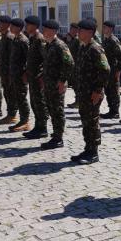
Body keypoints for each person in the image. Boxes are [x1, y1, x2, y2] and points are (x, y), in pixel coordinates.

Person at [70, 18, 109, 164]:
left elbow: (105, 70)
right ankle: (88, 148)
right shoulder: (83, 47)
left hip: (93, 93)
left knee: (92, 121)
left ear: (90, 32)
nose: (78, 32)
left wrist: (98, 90)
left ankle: (93, 152)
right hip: (83, 92)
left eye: (82, 30)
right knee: (85, 121)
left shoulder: (95, 48)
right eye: (78, 30)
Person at [40, 19, 74, 150]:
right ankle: (55, 134)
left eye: (46, 29)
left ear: (53, 31)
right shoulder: (48, 45)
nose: (44, 32)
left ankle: (58, 138)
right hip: (49, 84)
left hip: (56, 84)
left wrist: (62, 80)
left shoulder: (60, 45)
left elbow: (69, 63)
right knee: (51, 109)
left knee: (57, 110)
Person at [23, 16, 49, 139]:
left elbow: (46, 59)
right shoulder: (32, 38)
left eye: (28, 24)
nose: (26, 27)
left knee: (40, 102)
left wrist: (43, 76)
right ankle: (38, 126)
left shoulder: (40, 39)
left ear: (34, 26)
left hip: (38, 78)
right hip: (32, 77)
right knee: (34, 102)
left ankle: (42, 128)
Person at [7, 18, 31, 132]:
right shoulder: (15, 39)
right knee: (17, 97)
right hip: (15, 74)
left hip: (21, 74)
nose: (10, 28)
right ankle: (22, 120)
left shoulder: (23, 40)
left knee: (22, 98)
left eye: (13, 26)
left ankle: (25, 121)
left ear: (19, 28)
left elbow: (28, 58)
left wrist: (26, 73)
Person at [100, 21, 121, 120]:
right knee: (108, 91)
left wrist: (118, 71)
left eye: (105, 27)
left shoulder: (114, 40)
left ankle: (115, 111)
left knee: (114, 91)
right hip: (107, 71)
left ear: (110, 29)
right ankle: (111, 110)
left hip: (113, 70)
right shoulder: (105, 40)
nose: (103, 29)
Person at [0, 15, 16, 125]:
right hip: (4, 71)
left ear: (7, 25)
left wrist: (9, 72)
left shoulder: (9, 37)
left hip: (9, 72)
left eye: (0, 23)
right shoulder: (3, 36)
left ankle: (12, 115)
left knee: (11, 93)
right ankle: (10, 114)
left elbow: (12, 57)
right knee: (7, 93)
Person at [66, 22, 81, 108]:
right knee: (74, 84)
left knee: (77, 84)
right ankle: (77, 101)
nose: (71, 31)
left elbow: (70, 49)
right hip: (73, 65)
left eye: (73, 29)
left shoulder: (77, 40)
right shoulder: (72, 38)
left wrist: (70, 40)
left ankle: (78, 102)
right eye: (71, 29)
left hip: (77, 65)